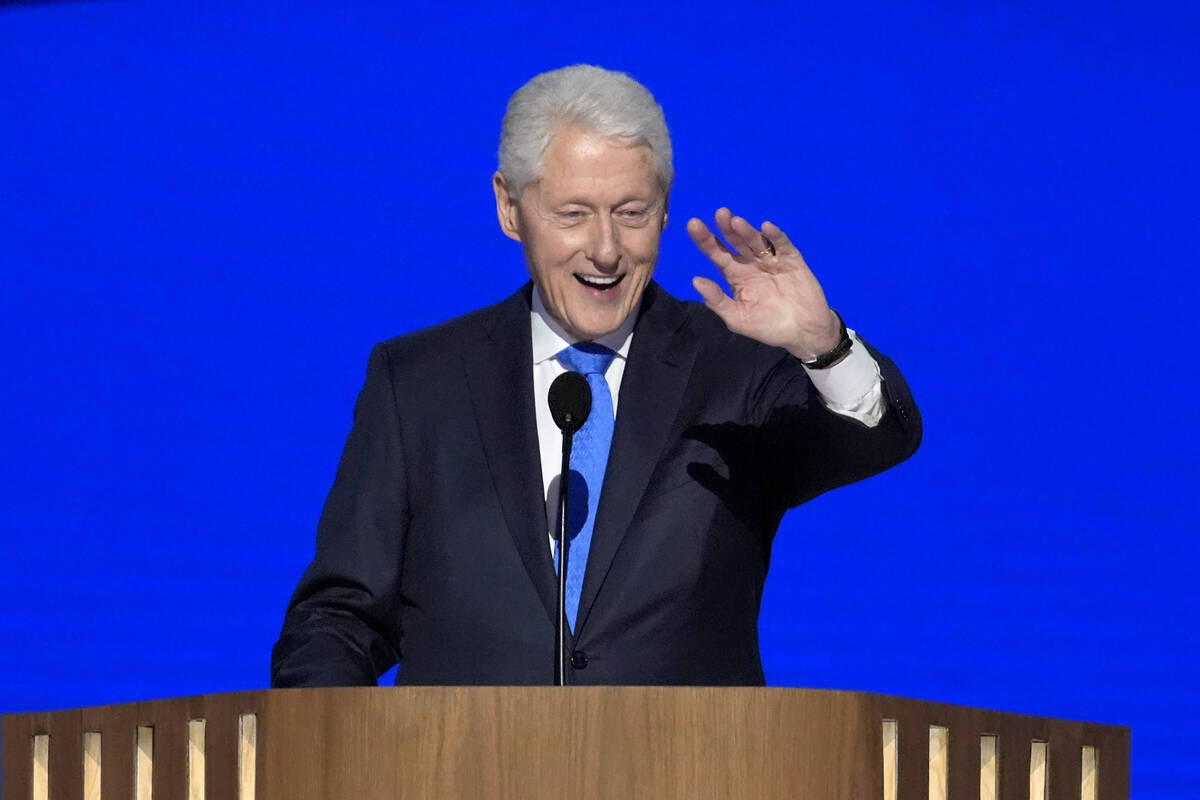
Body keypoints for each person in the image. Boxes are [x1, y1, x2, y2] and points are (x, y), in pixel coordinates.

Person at [271, 65, 920, 687]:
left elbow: (878, 437)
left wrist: (824, 347)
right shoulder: (417, 383)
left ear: (665, 209)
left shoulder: (733, 365)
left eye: (631, 212)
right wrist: (335, 755)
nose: (606, 250)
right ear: (509, 206)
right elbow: (339, 621)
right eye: (574, 213)